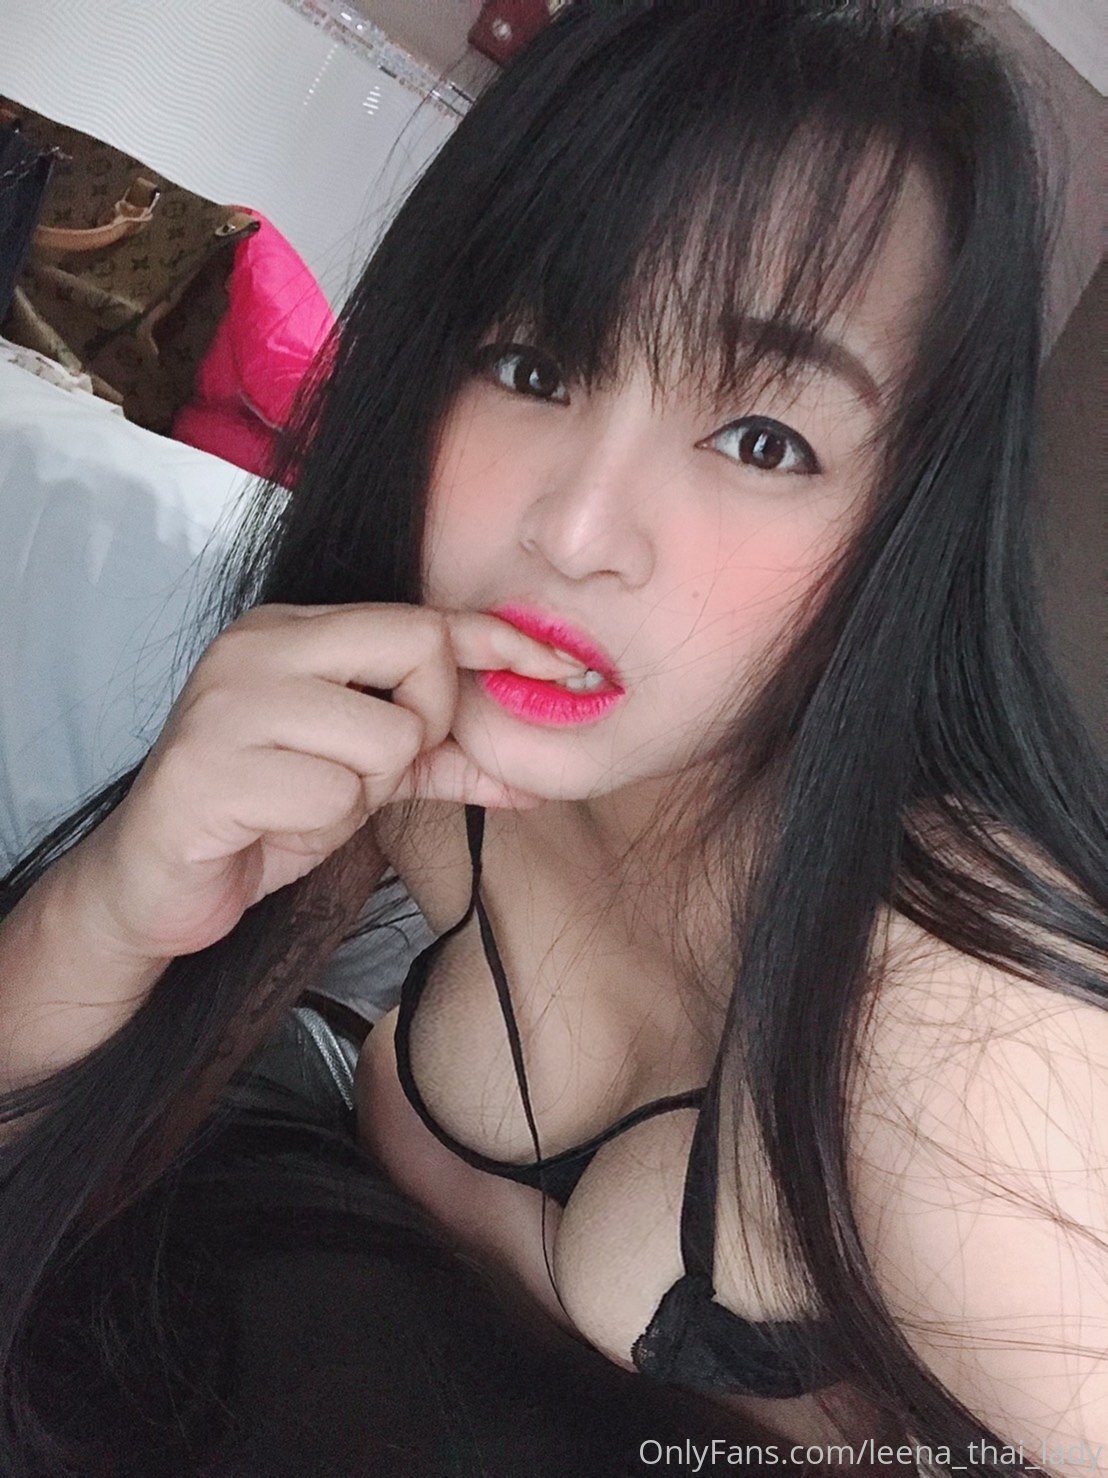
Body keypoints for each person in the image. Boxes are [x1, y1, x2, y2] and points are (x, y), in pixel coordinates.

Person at [1, 2, 1104, 1474]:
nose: (574, 532)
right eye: (531, 366)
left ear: (903, 532)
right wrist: (117, 903)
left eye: (763, 442)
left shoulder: (955, 1027)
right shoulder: (417, 770)